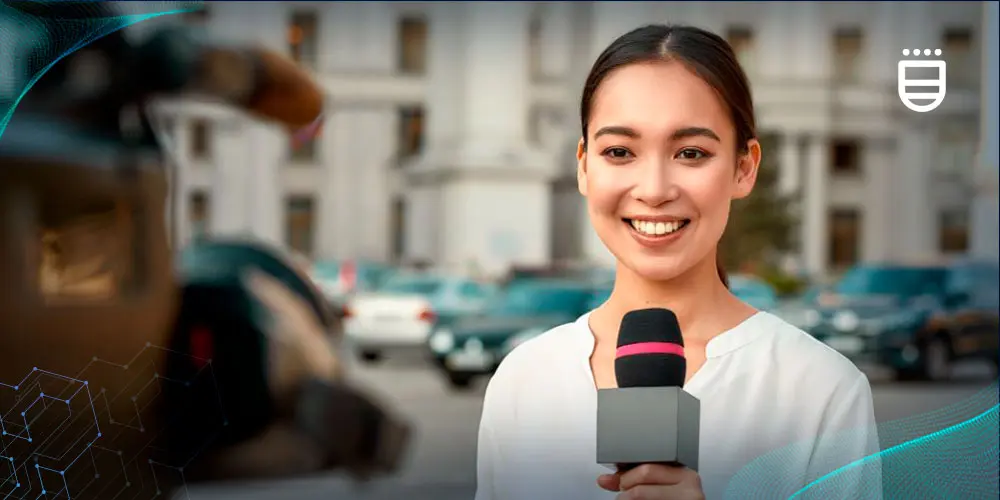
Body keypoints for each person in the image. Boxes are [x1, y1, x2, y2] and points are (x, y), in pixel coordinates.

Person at [474, 24, 882, 500]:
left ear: (744, 167)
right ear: (584, 165)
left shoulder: (818, 391)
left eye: (691, 153)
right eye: (619, 152)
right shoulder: (525, 380)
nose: (653, 189)